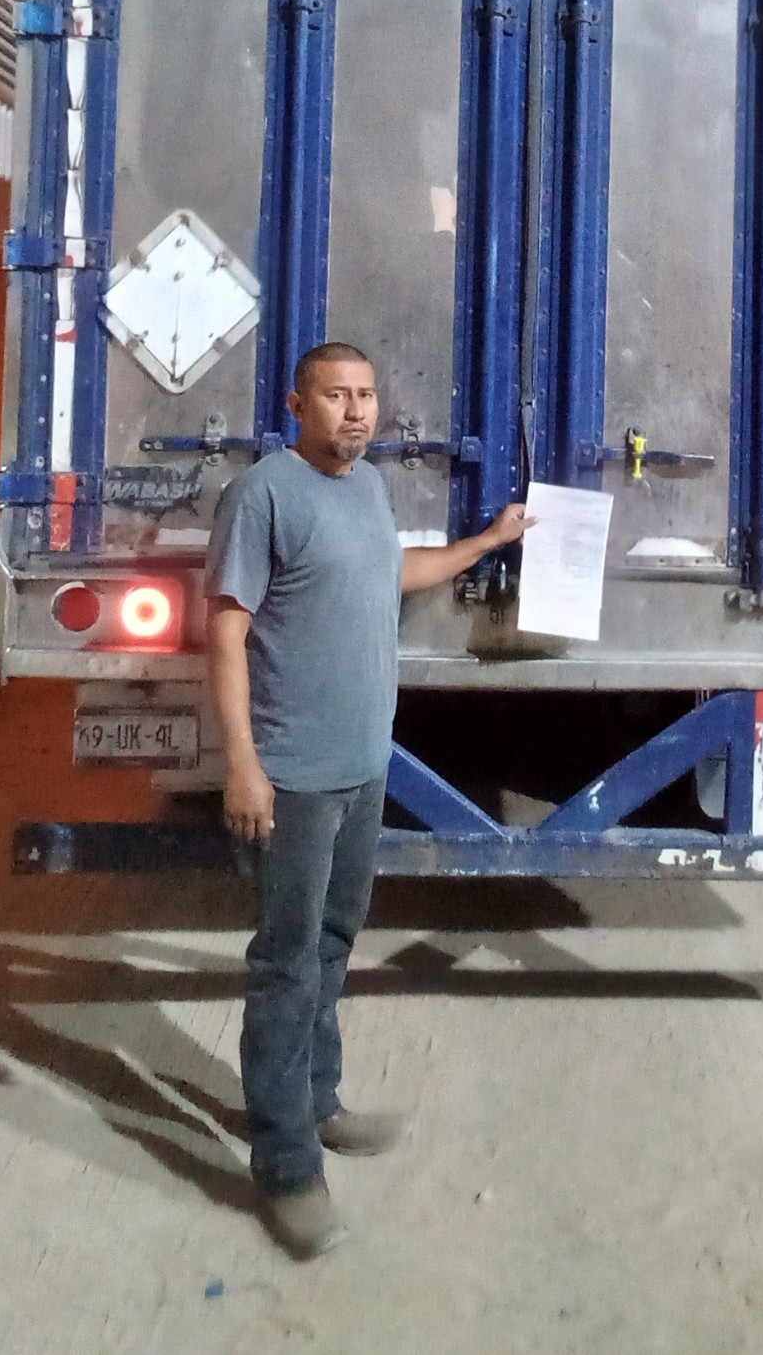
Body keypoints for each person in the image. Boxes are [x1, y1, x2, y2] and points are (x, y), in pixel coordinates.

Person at [204, 340, 529, 1260]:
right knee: (286, 962)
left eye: (367, 395)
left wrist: (485, 543)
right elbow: (224, 634)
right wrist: (243, 764)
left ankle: (317, 1099)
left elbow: (394, 572)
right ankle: (286, 1167)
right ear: (296, 404)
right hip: (293, 774)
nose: (355, 411)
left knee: (334, 941)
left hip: (361, 766)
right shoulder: (264, 494)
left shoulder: (368, 490)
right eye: (336, 395)